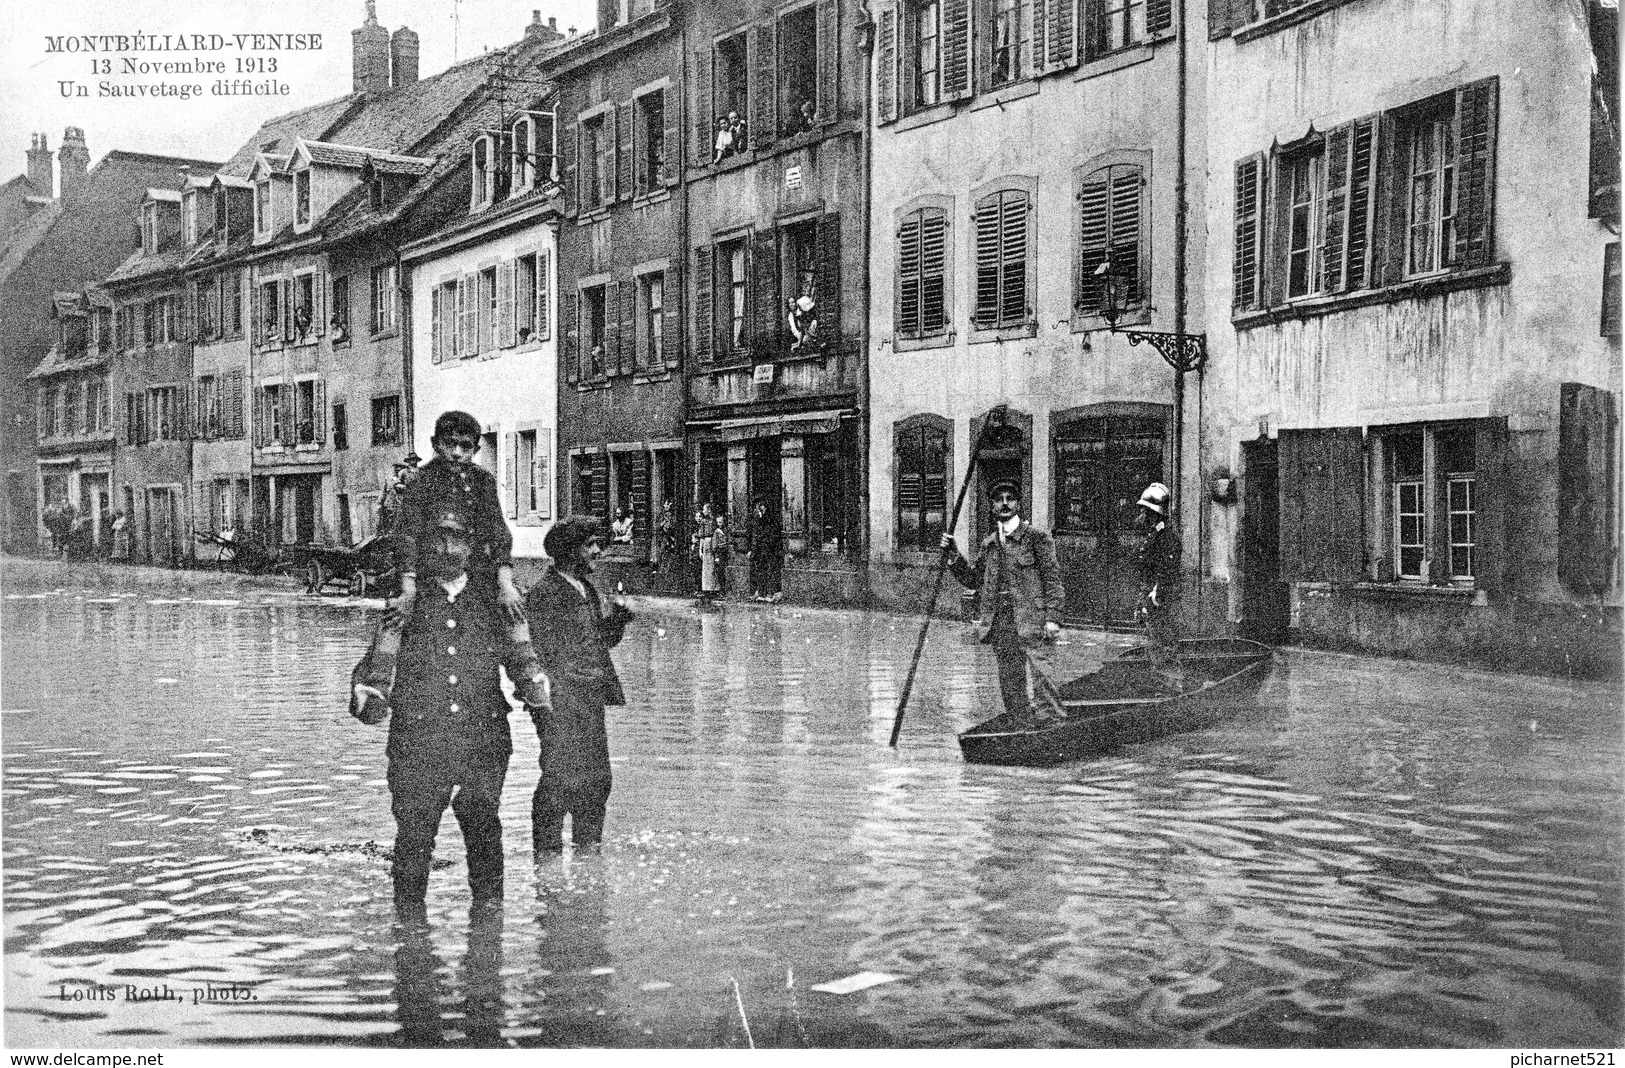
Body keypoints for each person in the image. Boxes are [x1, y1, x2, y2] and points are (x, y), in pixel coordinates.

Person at [349, 512, 550, 917]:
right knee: (415, 833)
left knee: (483, 824)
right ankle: (409, 936)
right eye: (437, 541)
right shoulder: (405, 600)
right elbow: (381, 660)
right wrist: (370, 695)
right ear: (423, 549)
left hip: (483, 735)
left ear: (471, 548)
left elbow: (522, 658)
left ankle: (488, 934)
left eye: (456, 540)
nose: (446, 549)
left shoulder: (495, 600)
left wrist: (545, 707)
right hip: (418, 738)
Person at [524, 516, 634, 855]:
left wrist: (617, 621)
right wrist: (543, 702)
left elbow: (597, 641)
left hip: (589, 696)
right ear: (570, 551)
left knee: (597, 778)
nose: (597, 551)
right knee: (558, 778)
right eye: (590, 545)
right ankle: (547, 859)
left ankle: (588, 850)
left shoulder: (585, 590)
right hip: (559, 701)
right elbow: (539, 651)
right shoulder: (545, 593)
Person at [940, 479, 1067, 725]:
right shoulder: (990, 544)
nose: (1005, 503)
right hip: (1002, 622)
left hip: (1033, 619)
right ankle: (1021, 725)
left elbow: (1053, 580)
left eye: (1010, 498)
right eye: (999, 499)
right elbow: (974, 580)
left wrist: (1053, 618)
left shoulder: (1036, 538)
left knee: (1043, 675)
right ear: (992, 506)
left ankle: (1052, 725)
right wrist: (954, 554)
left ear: (1018, 503)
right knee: (1010, 678)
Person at [392, 414, 521, 621]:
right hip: (427, 578)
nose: (456, 453)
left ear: (476, 450)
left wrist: (506, 584)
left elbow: (498, 532)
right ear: (436, 444)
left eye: (465, 446)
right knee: (395, 627)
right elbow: (407, 536)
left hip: (474, 575)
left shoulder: (483, 481)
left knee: (514, 619)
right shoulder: (420, 481)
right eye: (450, 443)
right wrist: (408, 590)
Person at [1133, 481, 1185, 689]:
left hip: (1163, 600)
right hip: (1152, 596)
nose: (1142, 516)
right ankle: (1162, 685)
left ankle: (1172, 688)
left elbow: (1167, 571)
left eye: (1146, 511)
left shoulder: (1167, 538)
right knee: (1154, 644)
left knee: (1164, 645)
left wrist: (1156, 596)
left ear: (1154, 513)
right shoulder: (1153, 536)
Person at [749, 498, 783, 603]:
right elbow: (753, 533)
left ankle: (770, 593)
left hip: (770, 548)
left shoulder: (771, 517)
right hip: (759, 549)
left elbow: (773, 533)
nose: (760, 508)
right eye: (758, 506)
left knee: (771, 571)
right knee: (759, 570)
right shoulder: (755, 517)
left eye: (762, 505)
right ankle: (760, 592)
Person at [694, 501, 725, 603]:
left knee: (712, 567)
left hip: (713, 542)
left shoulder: (713, 521)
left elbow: (717, 532)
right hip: (706, 543)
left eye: (704, 509)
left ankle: (714, 589)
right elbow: (701, 537)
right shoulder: (703, 521)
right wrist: (700, 550)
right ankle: (706, 588)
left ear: (709, 510)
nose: (703, 511)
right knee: (706, 567)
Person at [648, 498, 677, 576]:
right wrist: (663, 522)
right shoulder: (660, 515)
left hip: (669, 538)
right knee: (659, 553)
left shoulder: (672, 516)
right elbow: (657, 527)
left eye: (669, 505)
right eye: (666, 504)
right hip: (661, 538)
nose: (667, 506)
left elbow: (673, 527)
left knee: (667, 555)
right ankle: (657, 569)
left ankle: (666, 571)